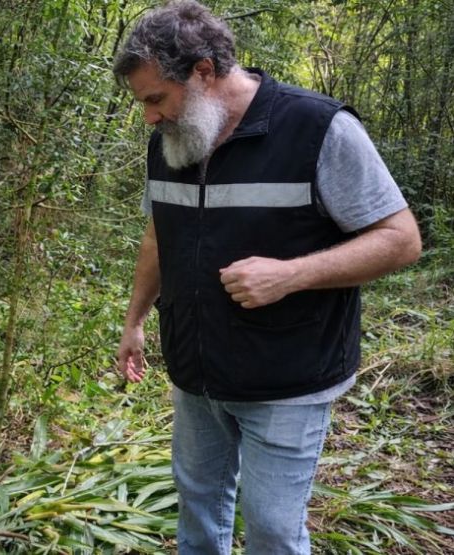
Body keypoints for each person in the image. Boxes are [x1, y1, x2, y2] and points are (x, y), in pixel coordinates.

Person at [111, 1, 422, 554]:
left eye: (155, 98)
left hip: (288, 379)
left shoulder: (318, 127)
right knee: (198, 507)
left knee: (274, 531)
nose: (149, 117)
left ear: (204, 70)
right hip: (195, 372)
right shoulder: (171, 140)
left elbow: (401, 240)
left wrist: (293, 274)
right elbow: (160, 236)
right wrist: (134, 321)